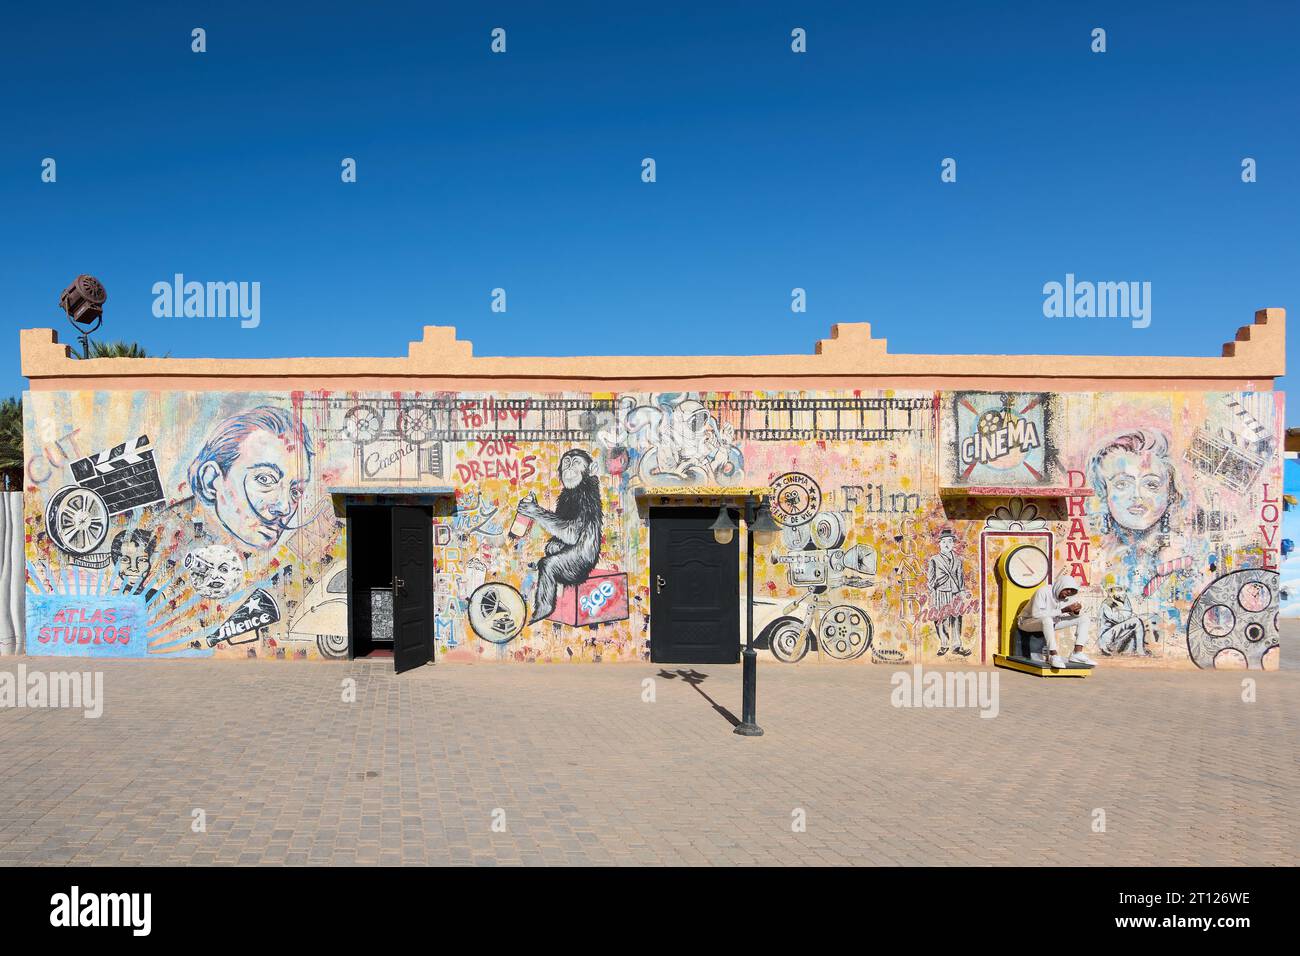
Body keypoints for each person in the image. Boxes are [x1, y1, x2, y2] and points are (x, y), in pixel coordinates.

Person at [1017, 574, 1095, 669]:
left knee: (1084, 619)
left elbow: (1075, 614)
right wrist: (1062, 610)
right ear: (1060, 585)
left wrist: (1076, 611)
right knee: (1047, 620)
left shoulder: (1068, 597)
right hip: (1026, 622)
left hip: (1050, 623)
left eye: (1072, 591)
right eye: (1067, 589)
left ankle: (1077, 653)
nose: (1069, 592)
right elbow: (1036, 614)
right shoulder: (1043, 591)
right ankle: (1053, 655)